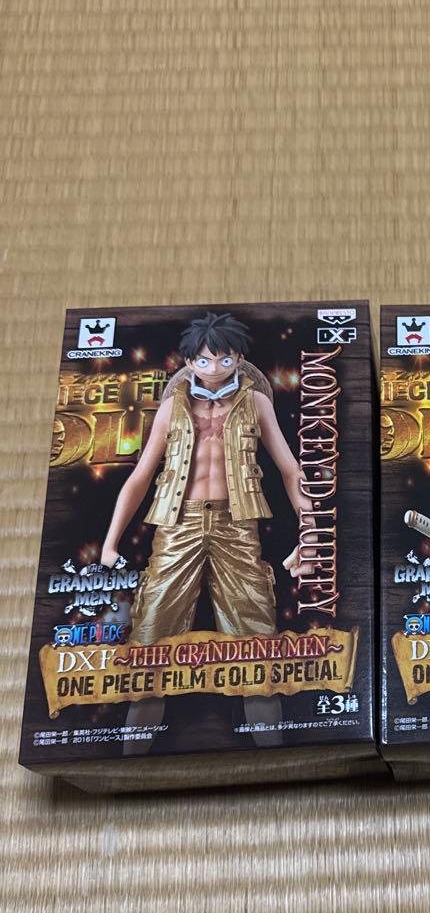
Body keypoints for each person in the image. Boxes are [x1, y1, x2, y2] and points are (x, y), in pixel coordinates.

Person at [100, 311, 311, 752]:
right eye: (204, 360)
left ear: (239, 359)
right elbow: (141, 476)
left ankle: (274, 757)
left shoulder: (256, 402)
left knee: (257, 646)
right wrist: (110, 541)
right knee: (151, 641)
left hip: (238, 525)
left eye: (224, 359)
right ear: (189, 362)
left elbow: (291, 469)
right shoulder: (172, 406)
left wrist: (307, 532)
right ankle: (130, 760)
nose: (214, 369)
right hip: (178, 525)